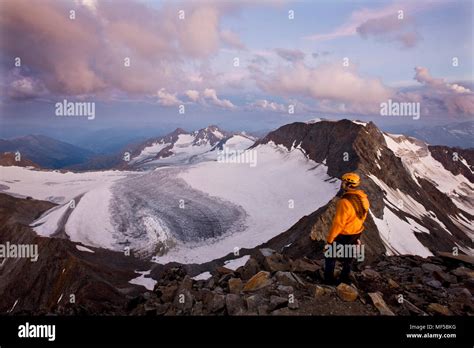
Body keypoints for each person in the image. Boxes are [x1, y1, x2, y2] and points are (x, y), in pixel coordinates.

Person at [321, 172, 369, 284]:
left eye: (343, 181)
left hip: (344, 234)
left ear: (347, 184)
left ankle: (329, 280)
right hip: (357, 232)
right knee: (349, 258)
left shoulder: (344, 202)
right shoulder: (363, 198)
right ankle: (344, 278)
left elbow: (338, 223)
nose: (342, 183)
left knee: (330, 256)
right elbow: (363, 216)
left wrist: (330, 240)